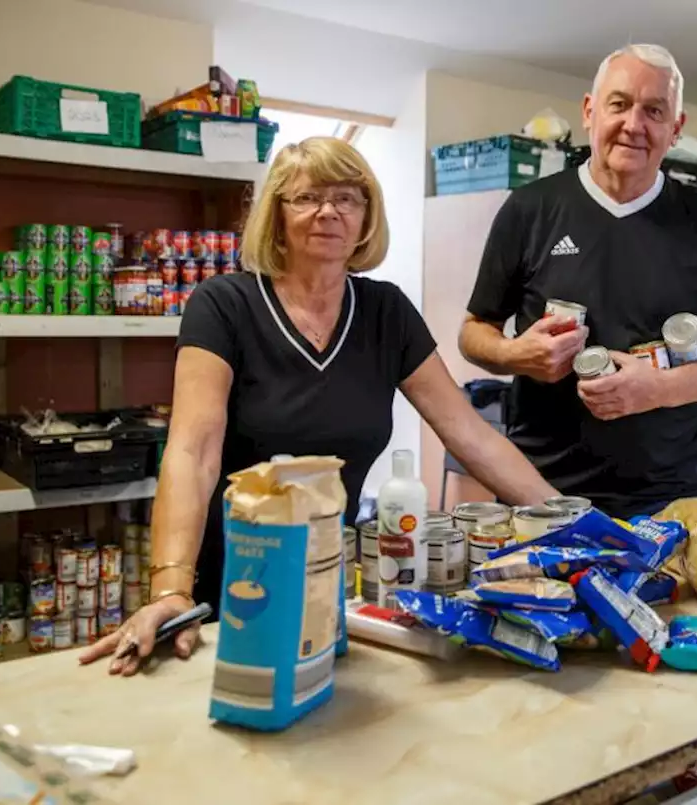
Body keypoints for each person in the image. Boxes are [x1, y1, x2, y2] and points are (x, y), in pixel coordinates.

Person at [81, 137, 559, 676]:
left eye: (348, 198)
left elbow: (471, 435)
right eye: (307, 197)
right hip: (228, 577)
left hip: (332, 580)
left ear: (365, 217)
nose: (329, 211)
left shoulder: (387, 312)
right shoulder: (224, 305)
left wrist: (577, 525)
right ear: (277, 215)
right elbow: (193, 451)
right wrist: (170, 588)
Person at [459, 44, 697, 518]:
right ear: (590, 112)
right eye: (619, 104)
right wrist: (514, 354)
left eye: (654, 110)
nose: (634, 124)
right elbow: (473, 331)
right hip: (539, 494)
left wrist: (659, 389)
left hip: (670, 500)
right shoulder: (529, 209)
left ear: (675, 129)